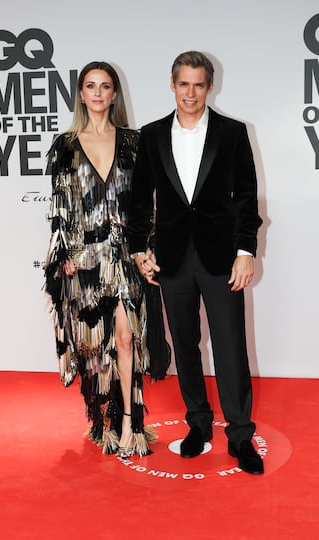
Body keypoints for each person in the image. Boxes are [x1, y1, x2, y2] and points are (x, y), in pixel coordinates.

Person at [127, 51, 264, 474]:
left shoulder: (233, 133)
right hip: (172, 261)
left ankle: (240, 435)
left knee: (229, 348)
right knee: (185, 346)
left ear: (210, 86)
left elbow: (245, 197)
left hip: (221, 258)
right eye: (183, 84)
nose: (190, 93)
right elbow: (137, 200)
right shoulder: (150, 136)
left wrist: (245, 253)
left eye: (198, 84)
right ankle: (198, 424)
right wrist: (139, 250)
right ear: (172, 84)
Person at [44, 61, 157, 458]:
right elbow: (61, 205)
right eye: (90, 86)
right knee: (95, 349)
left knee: (126, 338)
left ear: (114, 94)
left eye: (105, 86)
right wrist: (64, 254)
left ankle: (130, 423)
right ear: (81, 93)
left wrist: (149, 245)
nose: (97, 93)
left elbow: (148, 201)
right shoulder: (65, 145)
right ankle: (104, 422)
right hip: (85, 258)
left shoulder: (134, 142)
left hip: (125, 253)